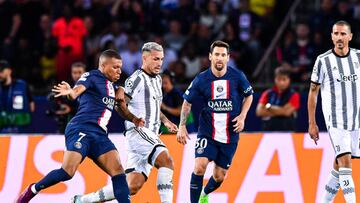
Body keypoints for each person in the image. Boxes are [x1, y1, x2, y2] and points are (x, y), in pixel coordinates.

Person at [16, 49, 145, 203]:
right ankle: (33, 189)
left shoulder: (113, 87)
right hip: (81, 129)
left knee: (118, 172)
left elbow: (121, 109)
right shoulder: (91, 76)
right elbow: (75, 92)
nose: (119, 71)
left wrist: (134, 118)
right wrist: (69, 91)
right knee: (67, 172)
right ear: (103, 66)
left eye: (120, 67)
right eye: (115, 67)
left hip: (100, 136)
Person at [72, 42, 178, 203]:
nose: (159, 63)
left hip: (150, 135)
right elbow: (119, 104)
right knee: (167, 161)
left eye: (161, 59)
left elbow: (154, 107)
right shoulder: (136, 79)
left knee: (132, 185)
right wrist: (133, 119)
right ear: (145, 57)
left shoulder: (157, 79)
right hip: (139, 132)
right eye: (156, 59)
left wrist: (166, 121)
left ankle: (85, 200)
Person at [177, 40, 253, 203]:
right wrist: (182, 126)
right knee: (199, 166)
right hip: (207, 131)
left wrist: (242, 116)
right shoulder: (201, 79)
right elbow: (187, 102)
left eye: (223, 55)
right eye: (216, 54)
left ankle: (204, 193)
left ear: (228, 58)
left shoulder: (237, 76)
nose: (219, 58)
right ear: (210, 57)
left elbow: (249, 95)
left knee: (219, 176)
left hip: (230, 134)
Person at [308, 20, 359, 203]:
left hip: (356, 121)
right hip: (336, 120)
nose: (339, 37)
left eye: (343, 34)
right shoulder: (323, 60)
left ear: (350, 37)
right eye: (336, 33)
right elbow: (313, 92)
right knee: (345, 162)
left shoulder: (358, 57)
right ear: (331, 36)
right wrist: (312, 123)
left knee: (339, 165)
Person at [256, 66, 300, 131]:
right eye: (279, 79)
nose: (281, 82)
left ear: (289, 80)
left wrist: (269, 107)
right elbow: (259, 112)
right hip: (268, 132)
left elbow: (286, 112)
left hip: (287, 132)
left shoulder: (294, 95)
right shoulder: (267, 93)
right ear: (275, 79)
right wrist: (281, 111)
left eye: (284, 79)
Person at [50, 62, 87, 133]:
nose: (77, 75)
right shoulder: (66, 86)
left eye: (80, 72)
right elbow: (57, 103)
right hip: (67, 123)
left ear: (85, 73)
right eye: (74, 73)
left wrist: (70, 109)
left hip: (85, 125)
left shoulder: (90, 87)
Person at [0, 60, 35, 133]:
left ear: (9, 71)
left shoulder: (22, 85)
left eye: (1, 71)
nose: (0, 74)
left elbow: (32, 104)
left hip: (20, 130)